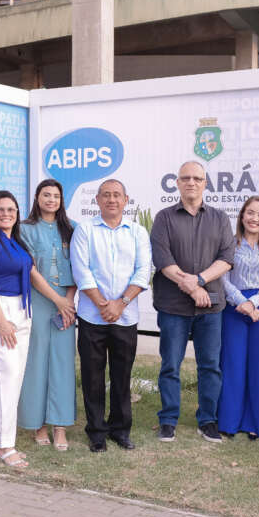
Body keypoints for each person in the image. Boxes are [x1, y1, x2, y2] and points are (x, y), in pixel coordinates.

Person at [150, 161, 235, 443]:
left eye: (197, 178)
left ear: (205, 183)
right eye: (185, 178)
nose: (191, 182)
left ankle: (207, 420)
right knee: (170, 365)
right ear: (177, 183)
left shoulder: (220, 219)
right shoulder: (164, 218)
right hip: (172, 306)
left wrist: (198, 281)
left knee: (210, 365)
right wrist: (190, 287)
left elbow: (226, 259)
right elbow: (163, 259)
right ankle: (168, 419)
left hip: (210, 306)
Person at [71, 179, 152, 452]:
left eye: (117, 195)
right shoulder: (85, 230)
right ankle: (96, 432)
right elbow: (81, 270)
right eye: (106, 195)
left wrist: (121, 303)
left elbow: (143, 271)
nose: (111, 199)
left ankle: (120, 429)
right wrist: (103, 304)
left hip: (126, 318)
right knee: (92, 377)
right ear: (97, 200)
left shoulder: (138, 232)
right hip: (91, 317)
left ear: (125, 200)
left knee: (122, 376)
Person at [0, 191, 41, 469]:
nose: (6, 214)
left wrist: (61, 301)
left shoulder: (17, 242)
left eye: (11, 209)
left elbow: (32, 275)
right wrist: (1, 321)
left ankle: (5, 440)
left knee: (15, 379)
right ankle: (4, 445)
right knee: (5, 377)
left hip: (22, 312)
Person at [17, 179, 79, 451]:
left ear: (61, 200)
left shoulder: (73, 228)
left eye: (56, 195)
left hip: (66, 303)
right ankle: (38, 423)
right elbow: (30, 270)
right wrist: (57, 300)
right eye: (46, 195)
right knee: (37, 361)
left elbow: (79, 268)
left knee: (63, 364)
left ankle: (60, 426)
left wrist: (68, 302)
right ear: (37, 198)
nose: (51, 200)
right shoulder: (24, 229)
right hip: (39, 301)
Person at [217, 197, 259, 439]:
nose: (255, 219)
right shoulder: (229, 244)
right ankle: (229, 422)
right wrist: (242, 302)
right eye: (250, 213)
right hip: (234, 309)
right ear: (242, 215)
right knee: (233, 365)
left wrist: (253, 302)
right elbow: (223, 279)